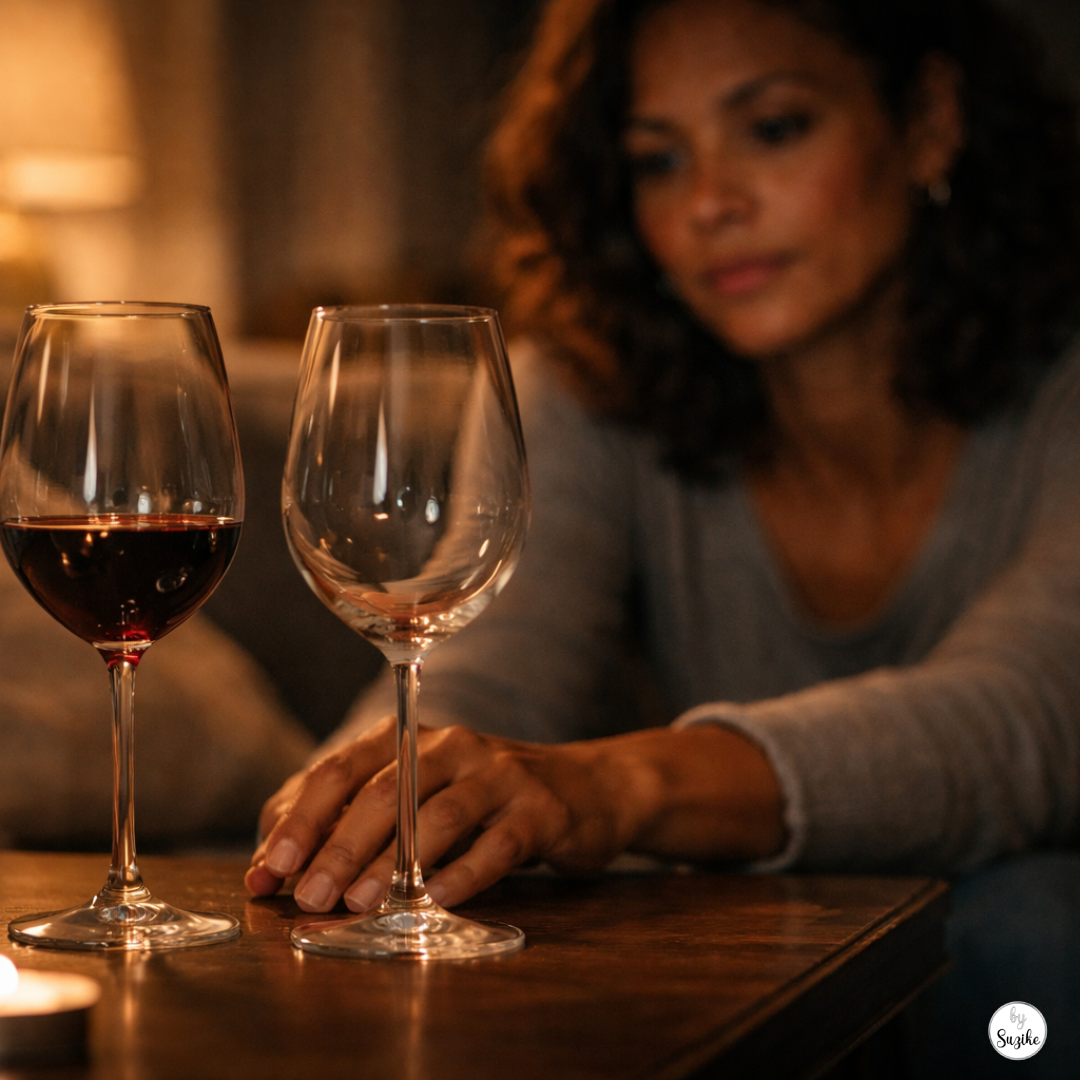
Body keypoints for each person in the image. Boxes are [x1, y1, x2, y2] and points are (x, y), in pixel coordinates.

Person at [248, 0, 1080, 1071]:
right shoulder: (594, 382)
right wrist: (383, 797)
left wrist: (618, 786)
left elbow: (1030, 718)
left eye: (775, 128)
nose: (710, 204)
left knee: (1027, 925)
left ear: (928, 118)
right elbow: (487, 671)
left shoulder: (1064, 383)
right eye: (658, 161)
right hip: (748, 938)